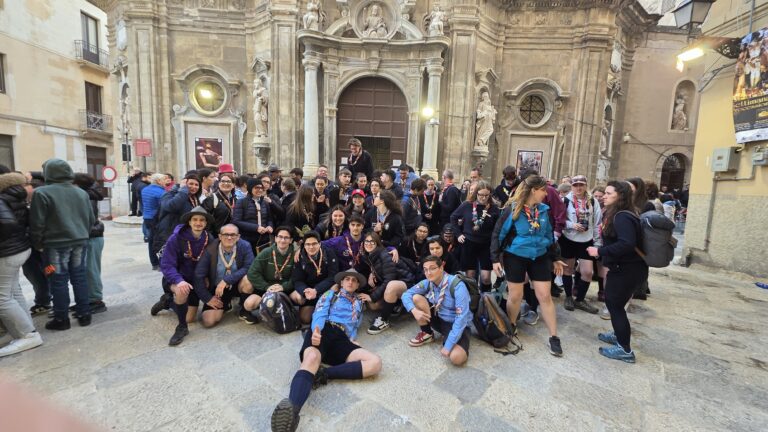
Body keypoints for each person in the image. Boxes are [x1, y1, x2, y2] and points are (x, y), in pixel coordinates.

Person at [270, 269, 382, 432]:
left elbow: (354, 323)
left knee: (375, 363)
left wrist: (352, 338)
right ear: (341, 283)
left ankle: (323, 375)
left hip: (342, 338)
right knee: (312, 358)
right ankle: (291, 413)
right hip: (324, 329)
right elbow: (320, 312)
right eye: (347, 279)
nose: (350, 282)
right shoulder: (331, 294)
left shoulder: (359, 302)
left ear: (358, 285)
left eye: (354, 280)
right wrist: (316, 330)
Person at [491, 174, 566, 357]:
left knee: (545, 296)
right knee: (515, 296)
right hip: (515, 256)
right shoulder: (512, 209)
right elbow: (498, 234)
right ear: (534, 190)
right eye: (543, 191)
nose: (545, 194)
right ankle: (511, 327)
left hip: (539, 256)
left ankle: (554, 337)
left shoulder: (544, 210)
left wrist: (556, 257)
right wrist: (494, 259)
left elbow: (549, 236)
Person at [29, 159, 95, 331]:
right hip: (80, 241)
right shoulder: (80, 192)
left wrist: (38, 244)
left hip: (54, 244)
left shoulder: (41, 192)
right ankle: (84, 314)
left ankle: (61, 318)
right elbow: (91, 219)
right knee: (79, 277)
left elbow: (37, 223)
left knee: (57, 281)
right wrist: (82, 234)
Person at [587, 181, 647, 363]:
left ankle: (624, 349)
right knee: (616, 305)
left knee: (614, 306)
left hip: (626, 270)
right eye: (604, 193)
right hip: (626, 268)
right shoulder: (622, 214)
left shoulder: (622, 217)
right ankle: (618, 335)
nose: (604, 196)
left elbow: (627, 243)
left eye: (608, 193)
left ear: (620, 196)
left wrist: (600, 251)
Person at [0, 167, 43, 357]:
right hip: (19, 247)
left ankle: (27, 334)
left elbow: (7, 224)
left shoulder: (5, 197)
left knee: (2, 297)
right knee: (13, 290)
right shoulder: (17, 195)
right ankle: (24, 328)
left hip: (8, 250)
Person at [401, 255, 472, 366]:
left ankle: (449, 337)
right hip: (438, 317)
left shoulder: (457, 286)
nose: (428, 273)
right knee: (416, 298)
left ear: (441, 268)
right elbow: (405, 295)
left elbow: (461, 318)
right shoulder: (427, 282)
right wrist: (414, 310)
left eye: (432, 268)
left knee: (457, 358)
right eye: (425, 270)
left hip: (455, 323)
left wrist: (448, 345)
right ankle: (427, 333)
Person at [160, 206, 213, 346]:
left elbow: (210, 262)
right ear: (189, 222)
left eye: (202, 220)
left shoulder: (209, 238)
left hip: (195, 279)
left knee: (190, 317)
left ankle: (167, 302)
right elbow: (166, 264)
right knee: (181, 290)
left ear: (206, 223)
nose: (198, 223)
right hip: (176, 278)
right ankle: (182, 328)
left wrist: (206, 276)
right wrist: (178, 281)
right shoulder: (176, 238)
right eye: (194, 219)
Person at [192, 224, 255, 328]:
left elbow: (250, 267)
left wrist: (227, 280)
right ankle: (226, 304)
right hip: (218, 289)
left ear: (238, 236)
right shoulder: (210, 249)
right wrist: (207, 298)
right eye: (226, 234)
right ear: (220, 236)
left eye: (233, 235)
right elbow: (198, 275)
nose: (229, 237)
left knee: (248, 280)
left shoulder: (245, 246)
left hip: (237, 285)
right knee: (209, 321)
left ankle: (244, 311)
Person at [559, 175, 602, 314]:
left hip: (586, 240)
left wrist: (597, 243)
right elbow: (559, 220)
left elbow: (597, 224)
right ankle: (569, 297)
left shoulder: (593, 202)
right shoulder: (565, 200)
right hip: (568, 239)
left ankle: (580, 300)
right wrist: (572, 224)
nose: (578, 187)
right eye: (575, 185)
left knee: (588, 272)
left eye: (581, 185)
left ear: (586, 186)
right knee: (568, 270)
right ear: (572, 186)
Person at [450, 180, 500, 292]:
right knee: (470, 276)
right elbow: (453, 218)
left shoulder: (494, 208)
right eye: (480, 195)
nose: (483, 198)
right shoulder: (467, 205)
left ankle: (486, 300)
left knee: (486, 277)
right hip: (469, 243)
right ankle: (472, 301)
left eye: (486, 195)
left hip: (486, 244)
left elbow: (498, 228)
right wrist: (458, 234)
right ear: (476, 193)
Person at [358, 232, 412, 335]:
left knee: (391, 286)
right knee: (373, 306)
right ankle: (397, 305)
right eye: (367, 241)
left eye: (372, 241)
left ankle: (384, 320)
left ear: (377, 243)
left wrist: (372, 297)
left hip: (407, 283)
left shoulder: (385, 255)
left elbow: (389, 279)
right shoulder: (369, 256)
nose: (369, 244)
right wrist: (371, 274)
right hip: (393, 283)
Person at [73, 173, 107, 314]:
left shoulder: (85, 196)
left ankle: (96, 300)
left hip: (92, 236)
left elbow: (88, 219)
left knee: (91, 270)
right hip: (91, 235)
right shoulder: (87, 194)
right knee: (88, 270)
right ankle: (87, 299)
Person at [244, 226, 297, 315]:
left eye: (286, 238)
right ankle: (265, 309)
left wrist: (284, 287)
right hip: (267, 289)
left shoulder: (295, 255)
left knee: (299, 298)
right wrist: (266, 287)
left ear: (291, 240)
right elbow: (252, 273)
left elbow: (298, 276)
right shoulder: (266, 252)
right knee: (249, 304)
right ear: (275, 238)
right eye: (280, 237)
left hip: (286, 289)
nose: (283, 240)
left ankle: (288, 309)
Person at [292, 231, 338, 324]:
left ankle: (329, 309)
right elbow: (297, 280)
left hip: (325, 289)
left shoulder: (329, 253)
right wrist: (305, 291)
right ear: (304, 245)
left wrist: (316, 290)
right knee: (305, 319)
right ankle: (319, 310)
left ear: (320, 244)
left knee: (336, 286)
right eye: (308, 244)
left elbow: (333, 276)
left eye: (314, 244)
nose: (311, 247)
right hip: (309, 292)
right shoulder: (299, 257)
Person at [232, 177, 273, 255]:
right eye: (256, 187)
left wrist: (270, 226)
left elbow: (269, 219)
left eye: (261, 187)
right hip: (247, 239)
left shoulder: (265, 203)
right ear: (250, 188)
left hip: (264, 239)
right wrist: (256, 228)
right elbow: (236, 221)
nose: (260, 190)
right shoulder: (241, 202)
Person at [141, 173, 167, 270]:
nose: (165, 182)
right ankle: (160, 263)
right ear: (158, 181)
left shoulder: (145, 189)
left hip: (147, 217)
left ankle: (154, 263)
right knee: (160, 241)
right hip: (156, 219)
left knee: (151, 241)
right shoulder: (161, 192)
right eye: (164, 179)